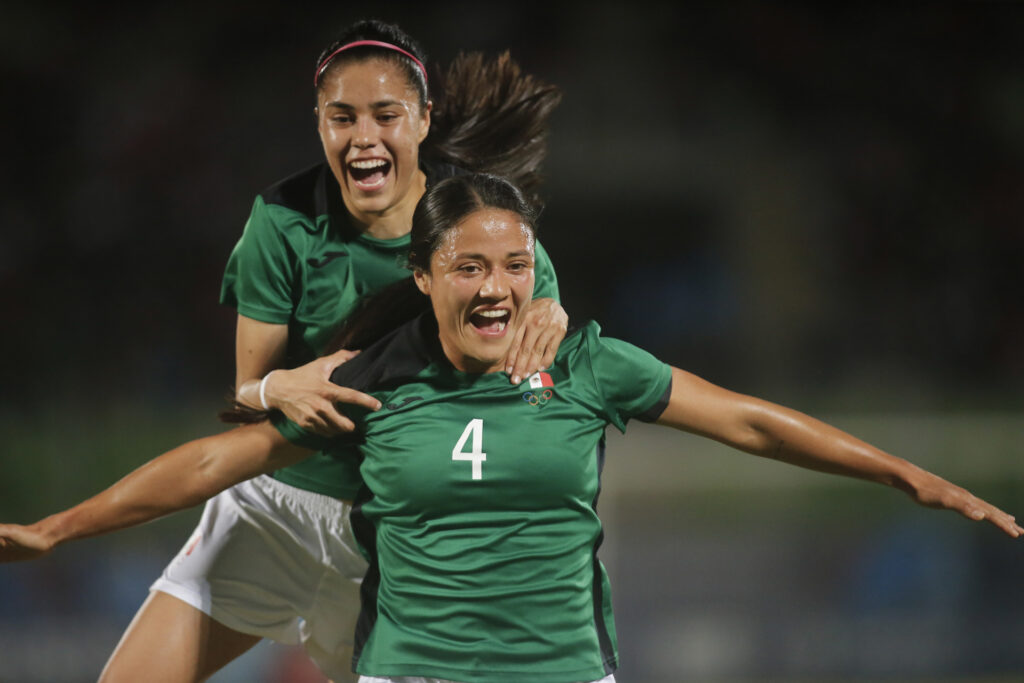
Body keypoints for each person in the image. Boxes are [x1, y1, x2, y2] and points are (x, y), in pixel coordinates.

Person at [1, 174, 1019, 683]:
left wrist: (904, 475)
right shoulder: (376, 387)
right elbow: (216, 459)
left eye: (516, 265)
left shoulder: (584, 363)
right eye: (471, 265)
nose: (499, 284)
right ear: (425, 276)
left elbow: (749, 420)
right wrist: (62, 526)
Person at [93, 20, 567, 683]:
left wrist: (552, 322)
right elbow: (245, 395)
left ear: (424, 120)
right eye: (342, 117)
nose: (363, 136)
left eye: (385, 115)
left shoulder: (481, 222)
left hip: (396, 548)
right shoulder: (281, 220)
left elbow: (537, 385)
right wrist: (272, 389)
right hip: (272, 514)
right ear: (319, 125)